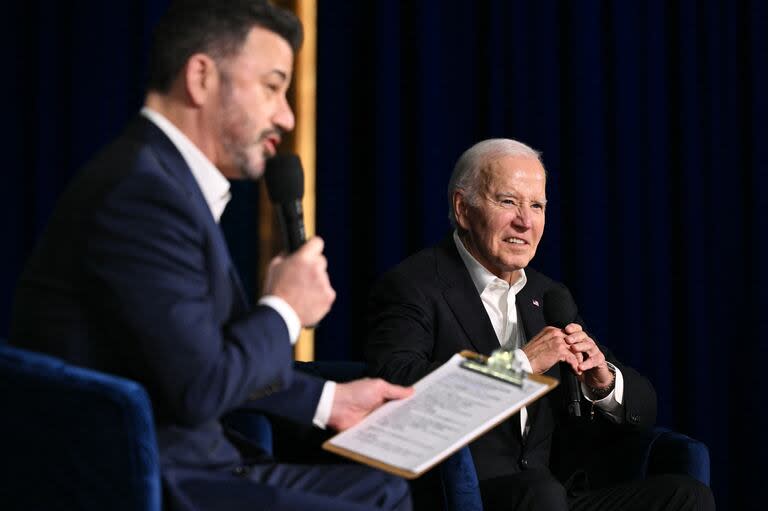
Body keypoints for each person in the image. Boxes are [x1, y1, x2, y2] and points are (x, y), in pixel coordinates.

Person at [9, 1, 413, 510]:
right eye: (272, 86)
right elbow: (201, 386)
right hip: (148, 482)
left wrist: (330, 402)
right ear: (200, 78)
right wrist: (285, 308)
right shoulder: (141, 194)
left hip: (197, 461)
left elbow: (196, 352)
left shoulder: (164, 180)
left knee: (388, 489)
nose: (286, 117)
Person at [365, 139, 714, 511]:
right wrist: (520, 366)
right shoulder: (413, 285)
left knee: (686, 496)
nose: (525, 221)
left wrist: (603, 381)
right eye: (508, 202)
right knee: (540, 493)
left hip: (553, 495)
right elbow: (396, 390)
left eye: (536, 206)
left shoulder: (548, 296)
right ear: (463, 209)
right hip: (468, 498)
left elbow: (644, 407)